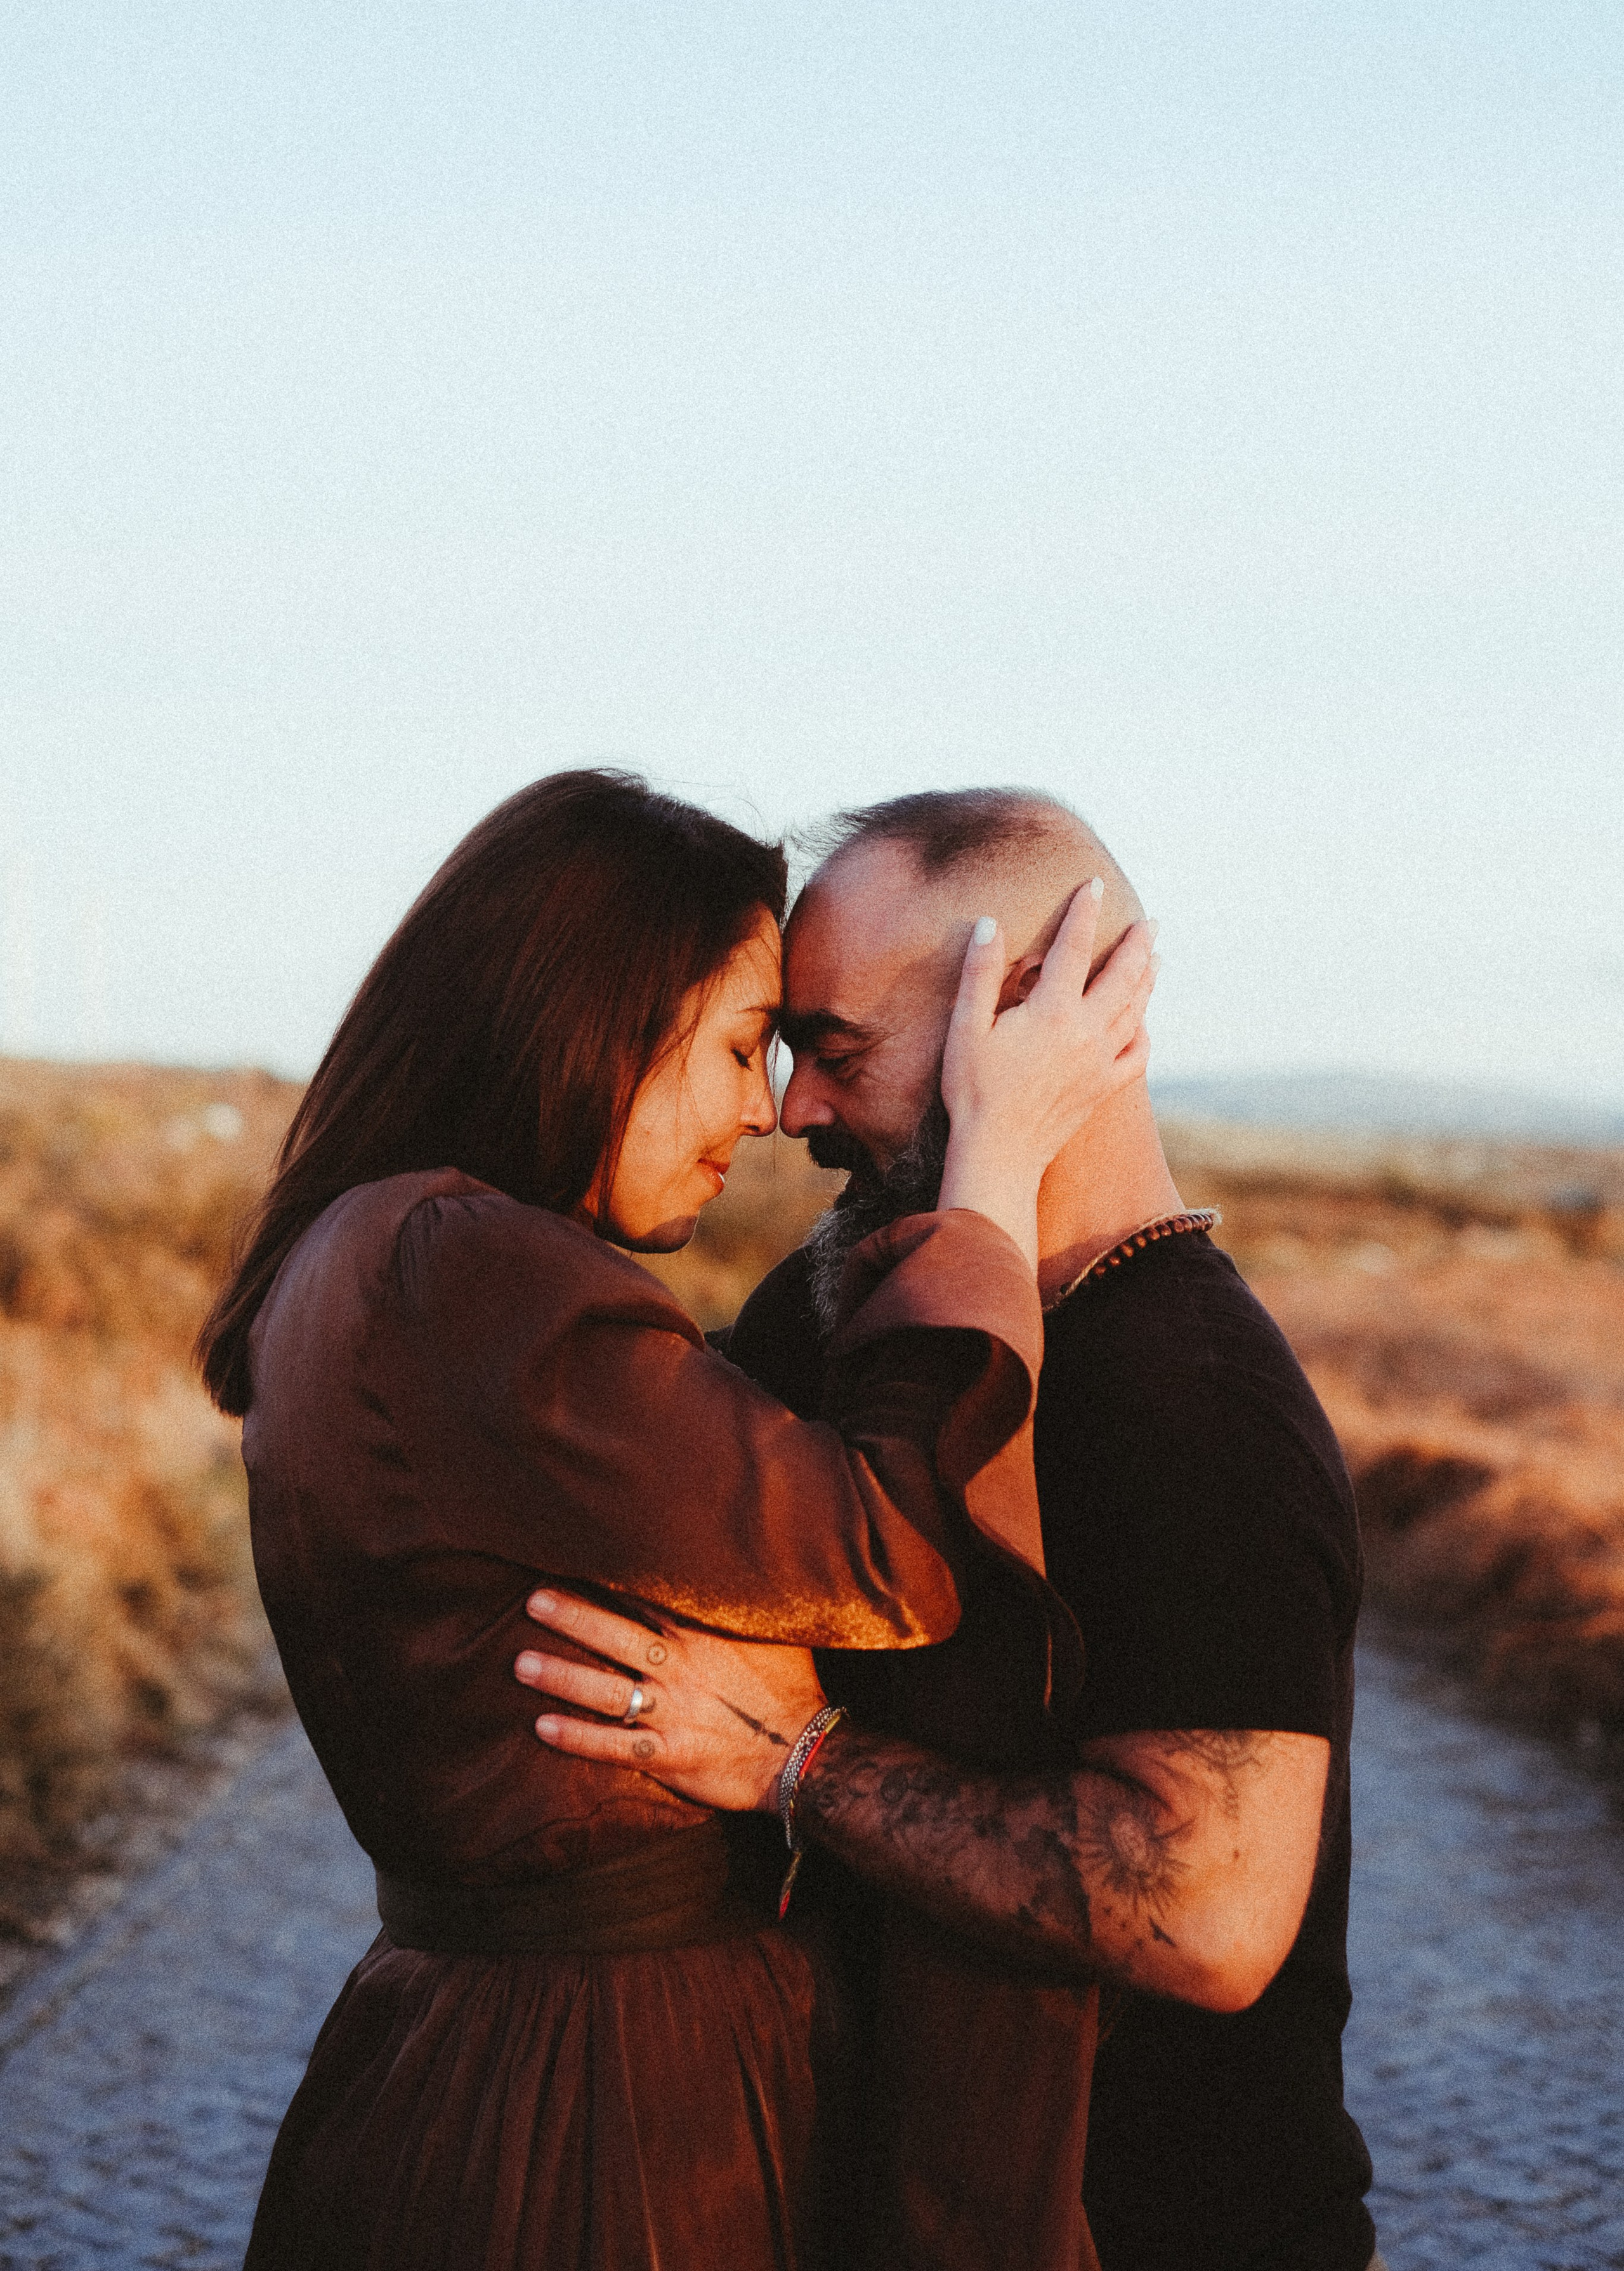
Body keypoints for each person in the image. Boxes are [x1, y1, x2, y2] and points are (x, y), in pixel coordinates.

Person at [196, 768, 1155, 2271]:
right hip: (603, 2102)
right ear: (590, 1014)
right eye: (731, 1046)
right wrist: (989, 1177)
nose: (763, 1113)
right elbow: (888, 1552)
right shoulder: (466, 1267)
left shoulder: (375, 1250)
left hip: (491, 2050)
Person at [514, 787, 1380, 2271]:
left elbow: (1204, 1911)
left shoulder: (1187, 1399)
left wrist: (793, 1764)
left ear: (1032, 1010)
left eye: (834, 1051)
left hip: (1169, 2233)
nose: (791, 1111)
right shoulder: (838, 1306)